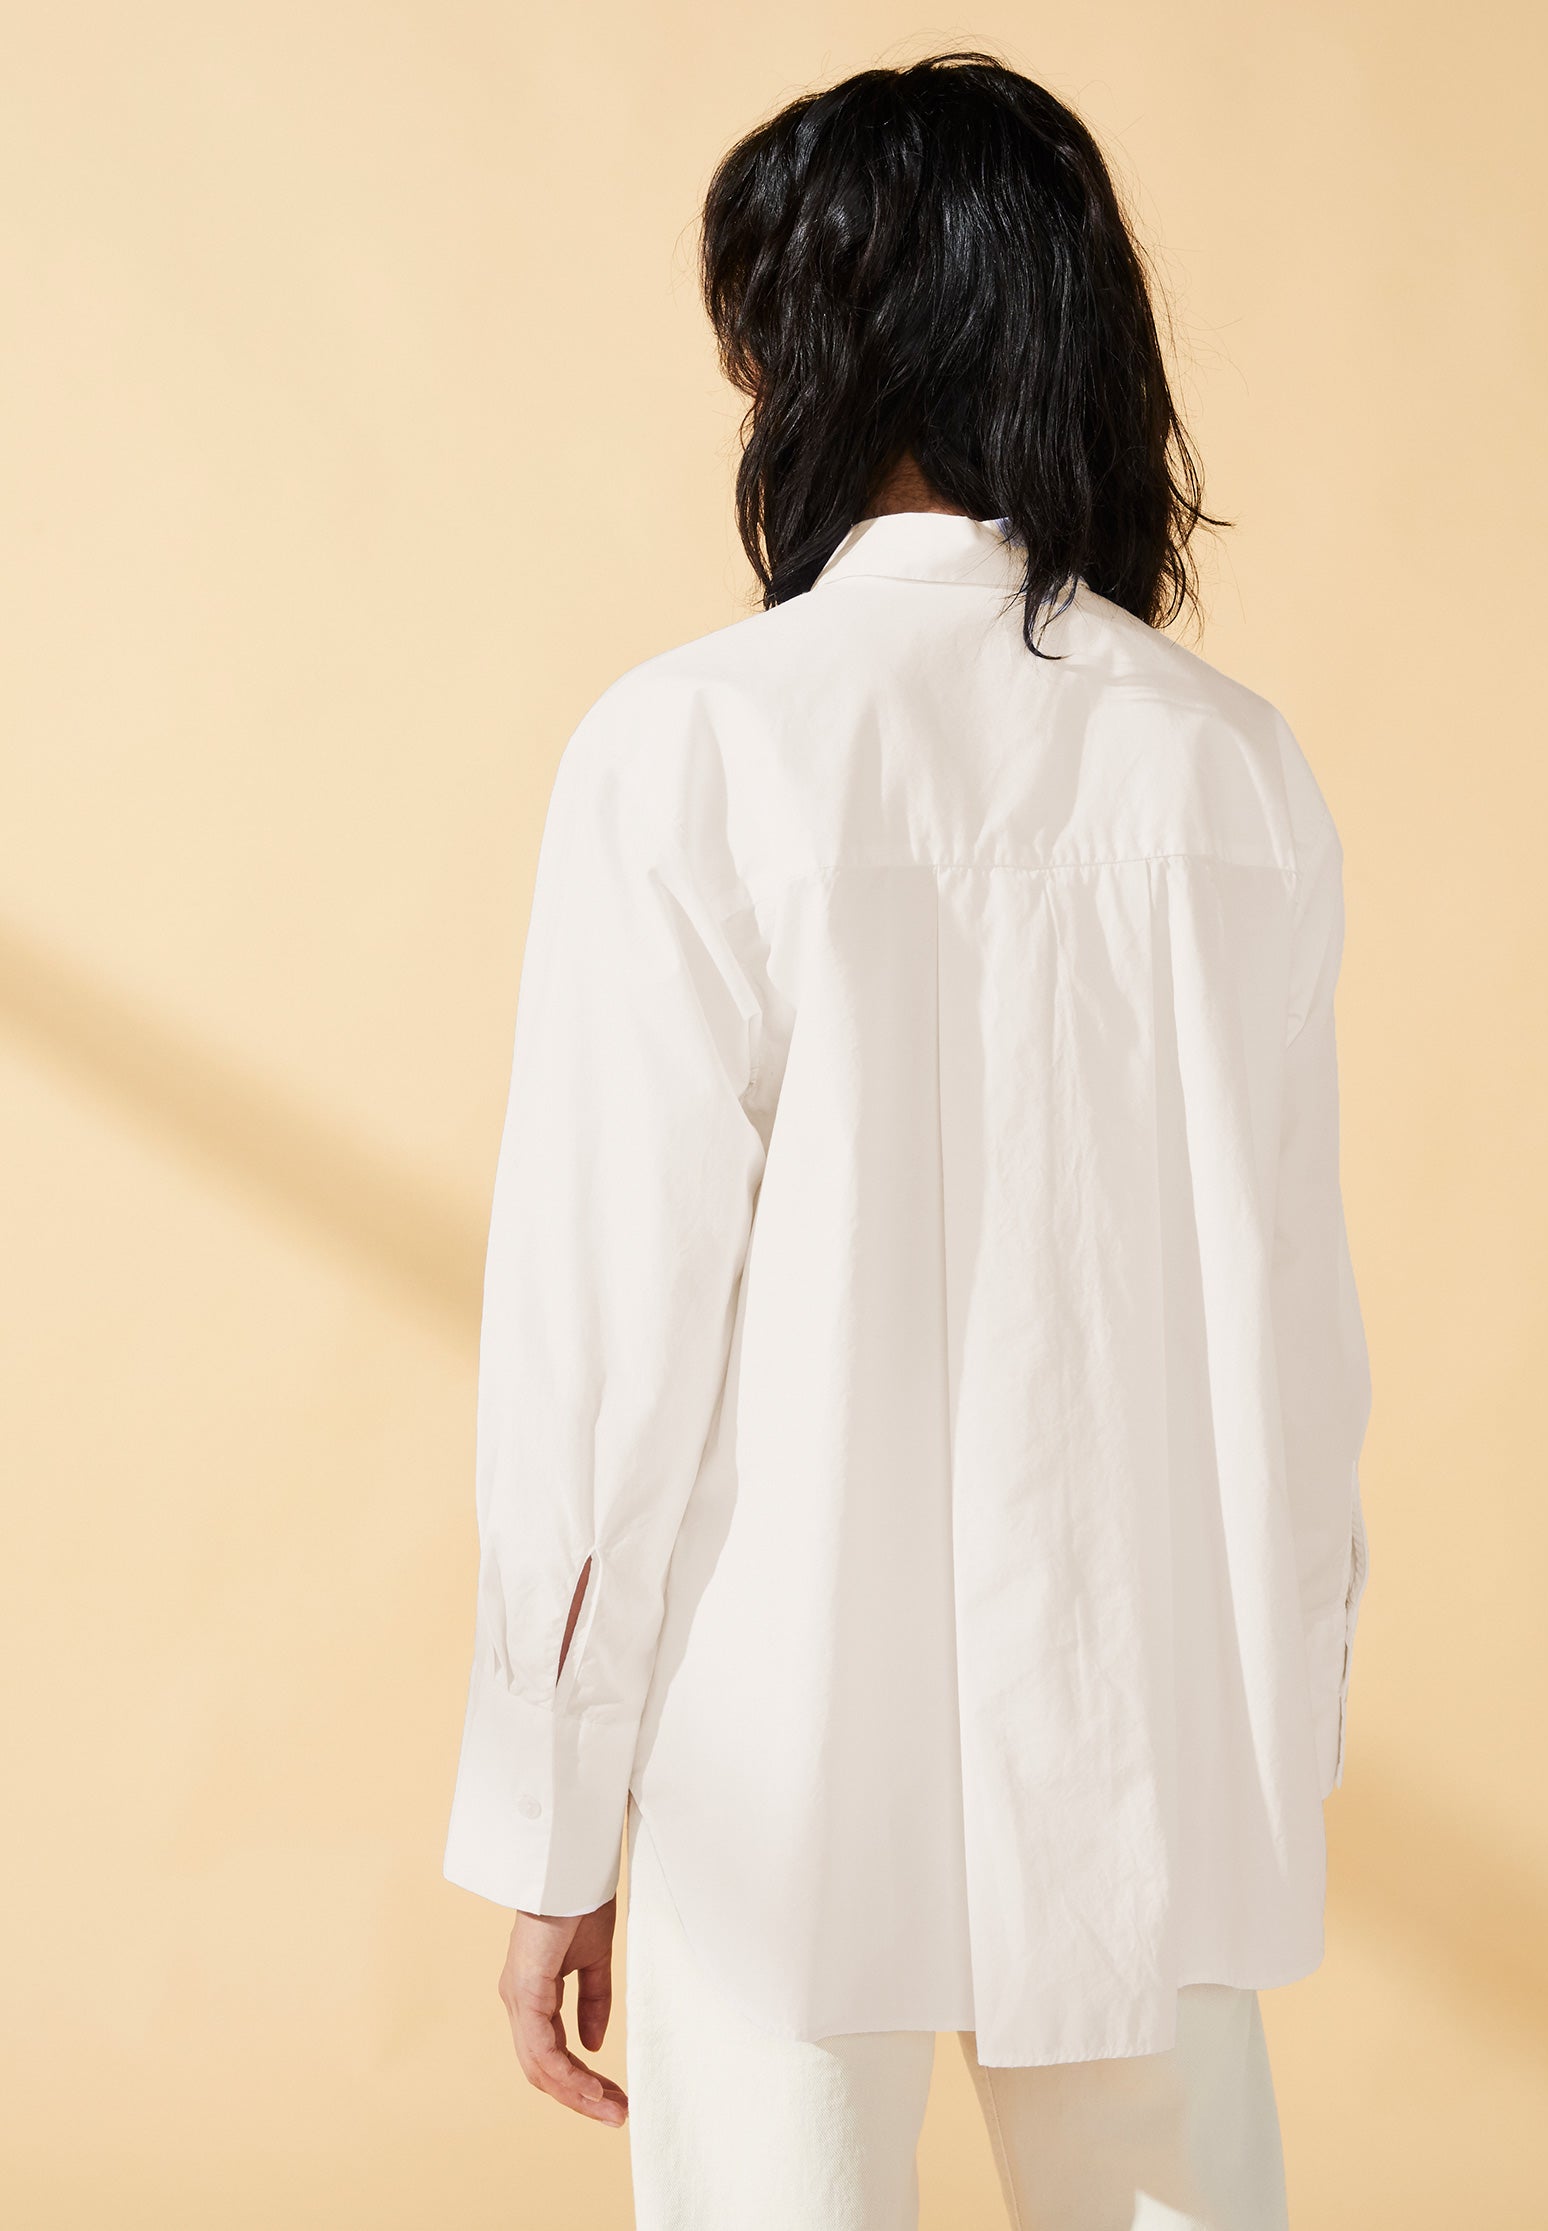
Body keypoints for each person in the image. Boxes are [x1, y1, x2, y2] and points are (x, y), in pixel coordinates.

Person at [443, 51, 1371, 2231]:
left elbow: (609, 1342)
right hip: (1150, 1721)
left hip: (777, 1740)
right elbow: (1299, 1324)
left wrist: (552, 1817)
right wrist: (1279, 1719)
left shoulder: (693, 749)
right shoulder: (1230, 769)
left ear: (814, 347)